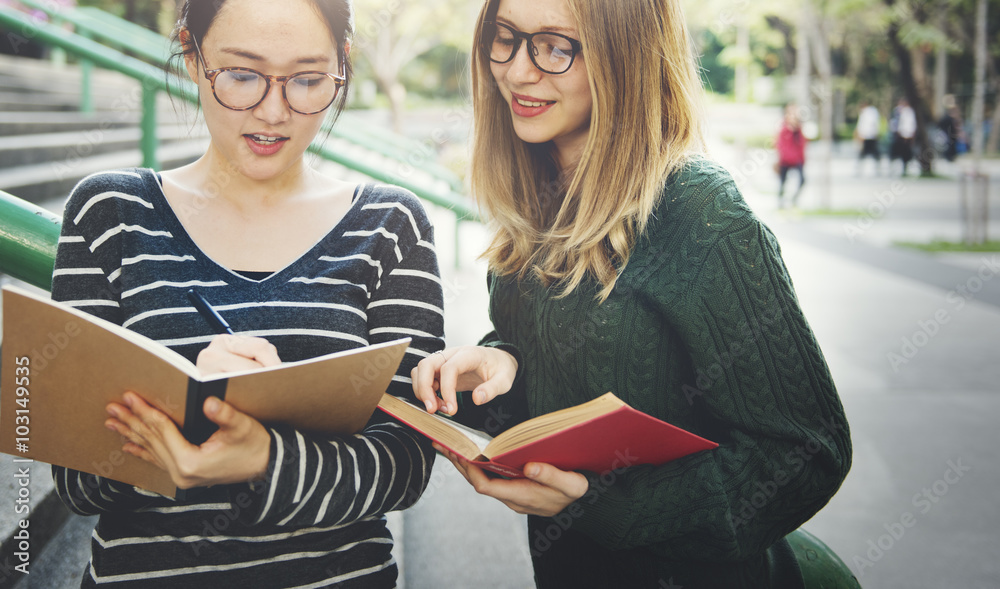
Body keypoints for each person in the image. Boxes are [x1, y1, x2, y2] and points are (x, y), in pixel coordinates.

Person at [410, 0, 852, 587]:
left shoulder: (699, 211)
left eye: (555, 46)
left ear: (627, 55)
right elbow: (566, 377)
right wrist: (502, 363)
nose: (517, 70)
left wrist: (602, 505)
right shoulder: (535, 195)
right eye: (505, 37)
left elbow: (807, 452)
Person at [49, 0, 443, 587]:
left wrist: (265, 457)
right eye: (241, 76)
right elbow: (77, 479)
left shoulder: (390, 226)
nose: (273, 111)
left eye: (308, 80)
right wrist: (189, 411)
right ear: (190, 54)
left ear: (343, 65)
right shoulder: (109, 215)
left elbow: (405, 465)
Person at [775, 102, 807, 208]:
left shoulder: (799, 129)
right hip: (785, 160)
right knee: (783, 182)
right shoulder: (783, 128)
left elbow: (803, 144)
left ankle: (794, 200)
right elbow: (779, 145)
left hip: (798, 159)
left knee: (802, 180)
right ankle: (781, 201)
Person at [889, 96, 917, 176]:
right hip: (900, 135)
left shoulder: (910, 112)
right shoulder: (900, 111)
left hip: (907, 136)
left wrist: (910, 136)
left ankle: (906, 166)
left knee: (906, 152)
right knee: (899, 152)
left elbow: (911, 125)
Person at [855, 100, 882, 175]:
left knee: (873, 153)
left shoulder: (870, 112)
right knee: (865, 154)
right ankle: (860, 170)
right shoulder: (866, 112)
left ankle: (877, 169)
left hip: (869, 136)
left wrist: (862, 135)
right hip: (868, 136)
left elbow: (868, 125)